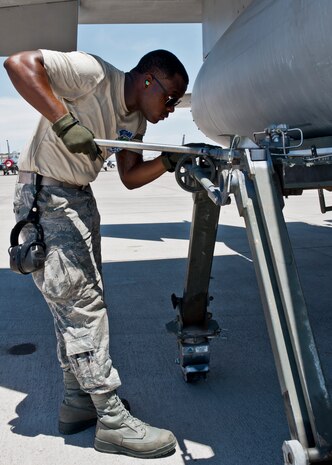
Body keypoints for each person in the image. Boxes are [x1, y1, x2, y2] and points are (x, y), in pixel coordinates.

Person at [4, 48, 188, 458]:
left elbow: (130, 177)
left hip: (77, 199)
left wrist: (168, 160)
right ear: (147, 81)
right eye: (170, 97)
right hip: (46, 197)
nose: (172, 109)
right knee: (84, 308)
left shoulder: (135, 119)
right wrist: (64, 121)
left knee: (77, 305)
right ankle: (111, 419)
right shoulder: (93, 74)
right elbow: (18, 64)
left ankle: (78, 402)